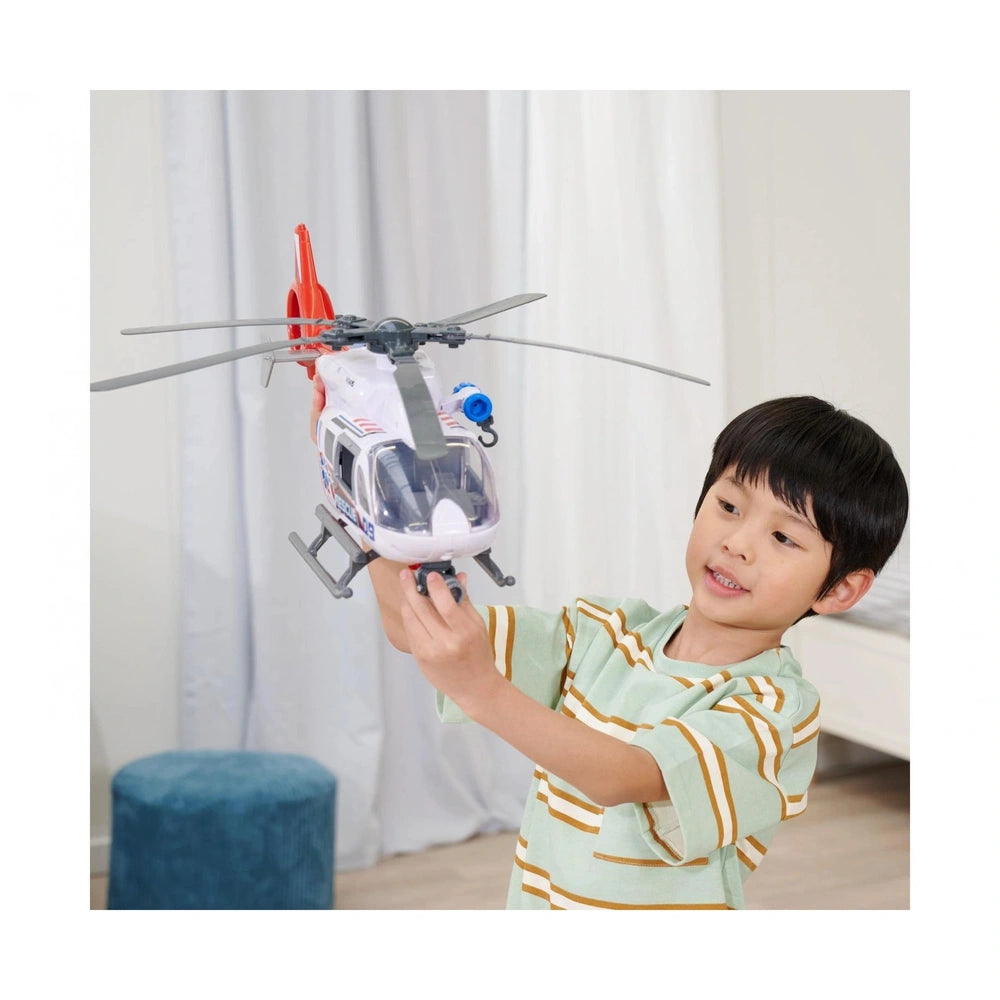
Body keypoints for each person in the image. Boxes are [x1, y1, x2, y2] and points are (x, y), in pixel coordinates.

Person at [312, 383, 908, 909]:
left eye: (783, 536)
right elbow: (415, 632)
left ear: (840, 588)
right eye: (728, 506)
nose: (737, 544)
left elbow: (627, 775)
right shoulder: (603, 631)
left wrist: (480, 689)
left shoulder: (774, 710)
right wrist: (370, 488)